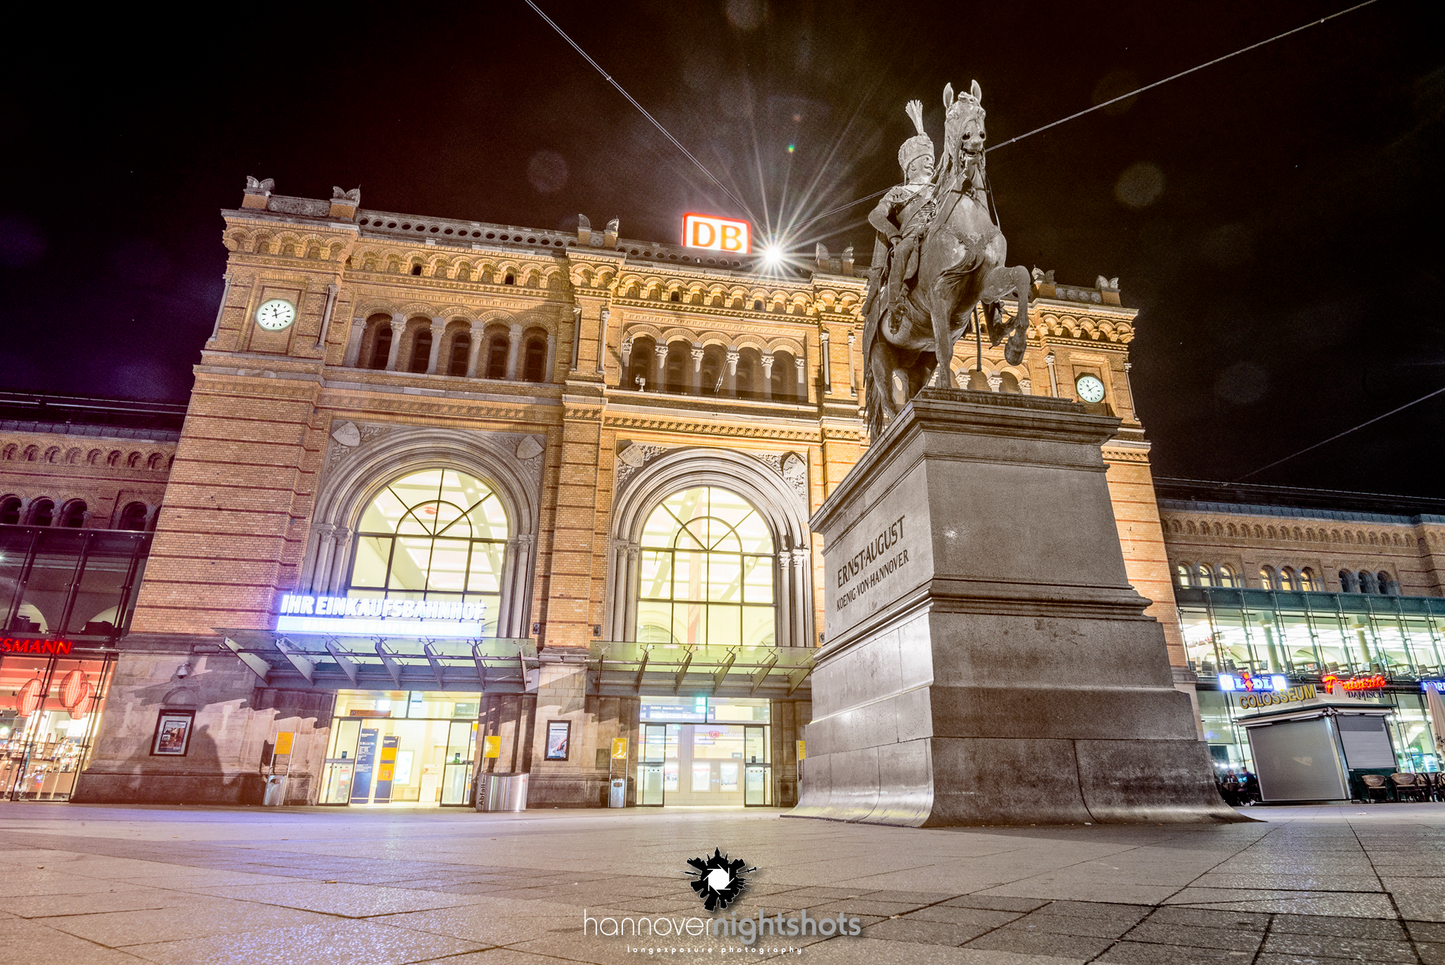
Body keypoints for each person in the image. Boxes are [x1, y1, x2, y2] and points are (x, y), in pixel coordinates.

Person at [864, 100, 936, 336]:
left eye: (931, 159)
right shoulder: (899, 192)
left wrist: (921, 130)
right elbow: (875, 215)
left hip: (937, 233)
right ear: (911, 167)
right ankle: (895, 304)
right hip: (910, 237)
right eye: (924, 159)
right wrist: (893, 233)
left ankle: (991, 309)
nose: (930, 163)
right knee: (905, 249)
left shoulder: (939, 190)